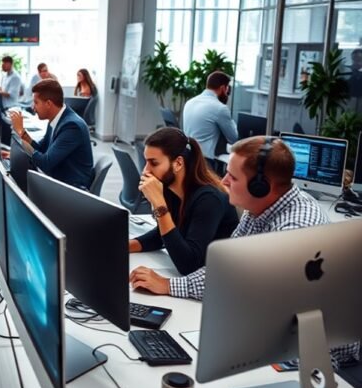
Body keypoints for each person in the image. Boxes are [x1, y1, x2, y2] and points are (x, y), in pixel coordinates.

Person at [130, 135, 359, 367]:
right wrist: (170, 286)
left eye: (233, 176)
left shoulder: (293, 231)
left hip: (311, 353)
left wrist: (169, 286)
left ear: (260, 187)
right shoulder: (257, 209)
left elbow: (246, 289)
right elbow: (228, 268)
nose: (224, 181)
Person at [129, 128, 239, 275]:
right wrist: (124, 246)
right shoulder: (172, 190)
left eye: (153, 163)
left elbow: (189, 265)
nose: (145, 171)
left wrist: (159, 204)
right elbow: (162, 235)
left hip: (216, 281)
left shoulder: (209, 200)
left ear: (178, 163)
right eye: (146, 162)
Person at [9, 79, 94, 190]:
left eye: (36, 102)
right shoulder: (55, 119)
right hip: (59, 177)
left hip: (71, 188)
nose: (33, 107)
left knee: (22, 185)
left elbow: (46, 163)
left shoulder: (72, 126)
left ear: (48, 103)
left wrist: (21, 132)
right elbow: (42, 148)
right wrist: (21, 148)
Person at [182, 71, 238, 161]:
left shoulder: (190, 102)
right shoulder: (220, 108)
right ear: (223, 88)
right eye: (228, 89)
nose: (228, 93)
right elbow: (233, 139)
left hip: (189, 155)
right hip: (205, 161)